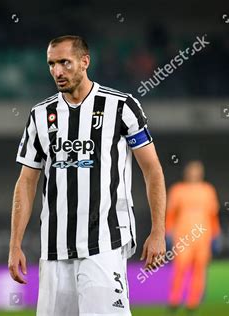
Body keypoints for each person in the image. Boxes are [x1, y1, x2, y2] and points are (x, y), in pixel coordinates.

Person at [8, 35, 166, 316]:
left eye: (64, 63)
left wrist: (158, 231)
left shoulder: (121, 107)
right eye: (51, 64)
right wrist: (15, 244)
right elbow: (26, 182)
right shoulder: (40, 115)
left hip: (105, 242)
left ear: (84, 61)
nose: (57, 71)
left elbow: (152, 170)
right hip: (54, 249)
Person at [166, 160, 221, 315]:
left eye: (197, 170)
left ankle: (193, 302)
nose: (194, 173)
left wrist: (216, 234)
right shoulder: (178, 190)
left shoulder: (208, 190)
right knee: (180, 268)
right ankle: (174, 300)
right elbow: (170, 214)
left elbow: (213, 215)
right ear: (186, 172)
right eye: (192, 170)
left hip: (203, 236)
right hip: (183, 236)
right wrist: (168, 232)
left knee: (200, 270)